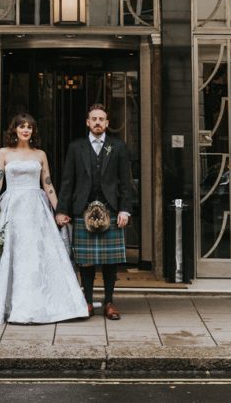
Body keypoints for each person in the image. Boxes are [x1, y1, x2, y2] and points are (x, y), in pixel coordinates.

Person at [0, 113, 88, 324]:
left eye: (29, 127)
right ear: (15, 130)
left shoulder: (40, 155)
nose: (26, 130)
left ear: (33, 131)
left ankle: (41, 304)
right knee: (10, 251)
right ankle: (4, 304)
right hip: (12, 205)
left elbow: (48, 185)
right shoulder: (4, 153)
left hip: (36, 207)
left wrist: (59, 210)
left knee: (35, 253)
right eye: (22, 126)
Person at [55, 103, 133, 320]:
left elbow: (125, 182)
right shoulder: (76, 147)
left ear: (107, 123)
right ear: (87, 122)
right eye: (94, 119)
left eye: (101, 119)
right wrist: (62, 210)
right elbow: (68, 181)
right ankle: (87, 301)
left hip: (111, 209)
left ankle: (109, 302)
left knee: (110, 261)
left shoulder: (117, 147)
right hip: (82, 210)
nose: (98, 122)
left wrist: (125, 210)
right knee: (85, 260)